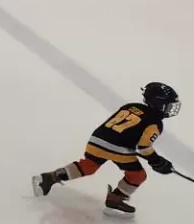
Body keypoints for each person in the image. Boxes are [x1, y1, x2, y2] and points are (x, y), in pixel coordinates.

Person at [34, 83, 179, 217]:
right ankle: (114, 202)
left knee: (88, 166)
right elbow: (144, 147)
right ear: (159, 104)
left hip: (96, 141)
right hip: (118, 149)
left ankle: (49, 178)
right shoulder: (155, 122)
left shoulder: (131, 106)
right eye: (168, 105)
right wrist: (157, 161)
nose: (170, 108)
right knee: (137, 175)